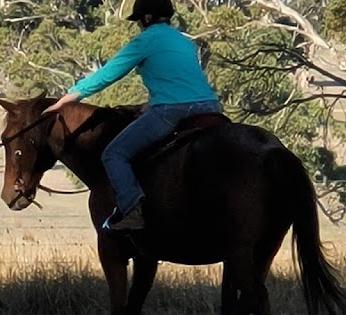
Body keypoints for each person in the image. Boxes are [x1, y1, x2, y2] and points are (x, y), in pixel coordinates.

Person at [42, 0, 222, 231]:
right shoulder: (183, 41)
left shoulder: (145, 40)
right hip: (210, 107)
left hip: (171, 110)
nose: (138, 25)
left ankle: (132, 209)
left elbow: (108, 74)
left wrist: (69, 98)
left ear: (146, 18)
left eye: (139, 20)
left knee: (114, 154)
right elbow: (181, 82)